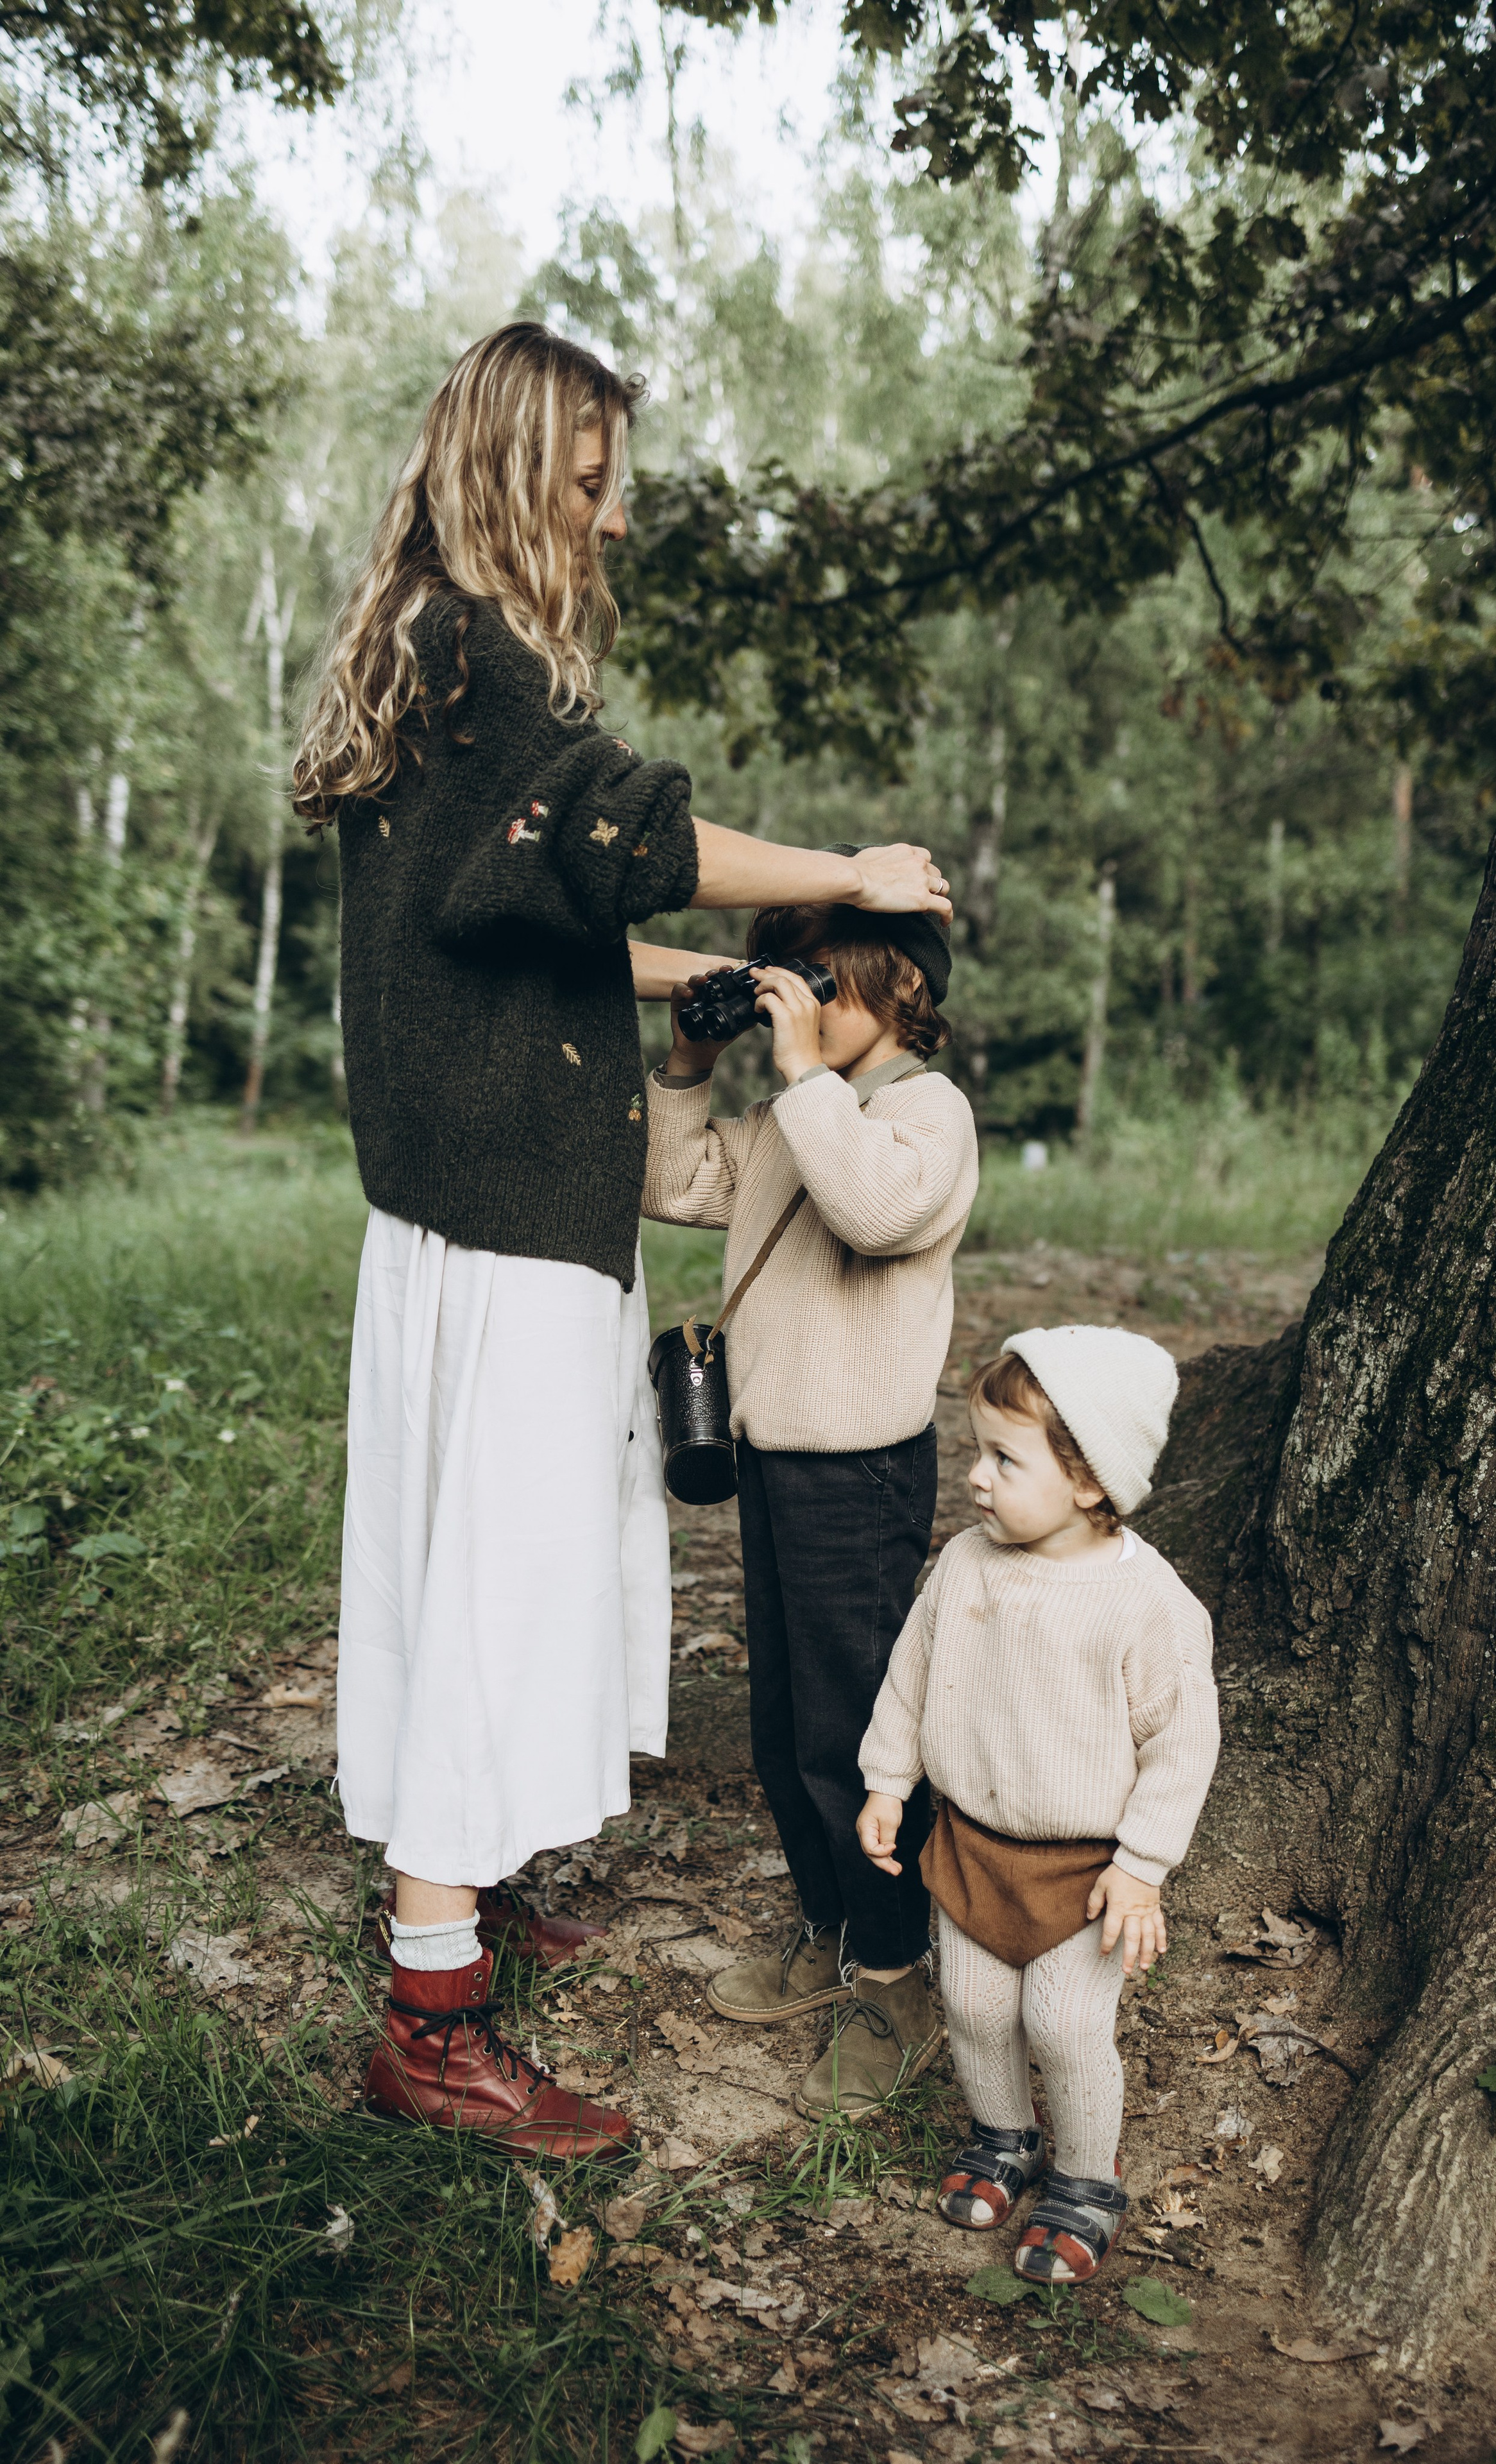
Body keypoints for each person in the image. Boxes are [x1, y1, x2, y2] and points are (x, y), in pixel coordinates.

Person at [290, 321, 951, 2160]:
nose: (616, 515)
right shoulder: (475, 651)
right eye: (593, 481)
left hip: (470, 1206)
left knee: (479, 1574)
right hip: (501, 1221)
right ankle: (434, 2020)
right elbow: (624, 834)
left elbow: (528, 925)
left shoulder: (424, 653)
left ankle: (464, 1888)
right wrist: (845, 878)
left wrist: (710, 979)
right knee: (492, 1593)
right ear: (514, 468)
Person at [642, 877, 978, 2116]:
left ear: (896, 984)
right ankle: (833, 1921)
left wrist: (801, 1072)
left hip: (863, 1471)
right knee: (787, 1729)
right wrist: (688, 1057)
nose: (800, 997)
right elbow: (674, 1184)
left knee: (858, 1737)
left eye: (818, 976)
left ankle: (898, 1971)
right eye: (784, 974)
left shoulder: (925, 1115)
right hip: (775, 1460)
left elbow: (879, 1213)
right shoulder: (804, 1111)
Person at [856, 1326, 1220, 2282]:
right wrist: (888, 1781)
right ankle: (1002, 2137)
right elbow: (912, 1676)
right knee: (974, 2007)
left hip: (1081, 1870)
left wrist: (1141, 1871)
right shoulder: (968, 1565)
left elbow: (1182, 1747)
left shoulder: (1150, 1607)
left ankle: (1086, 2180)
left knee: (1063, 2024)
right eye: (978, 1451)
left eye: (1005, 1459)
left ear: (1091, 1482)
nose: (977, 1477)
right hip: (972, 1843)